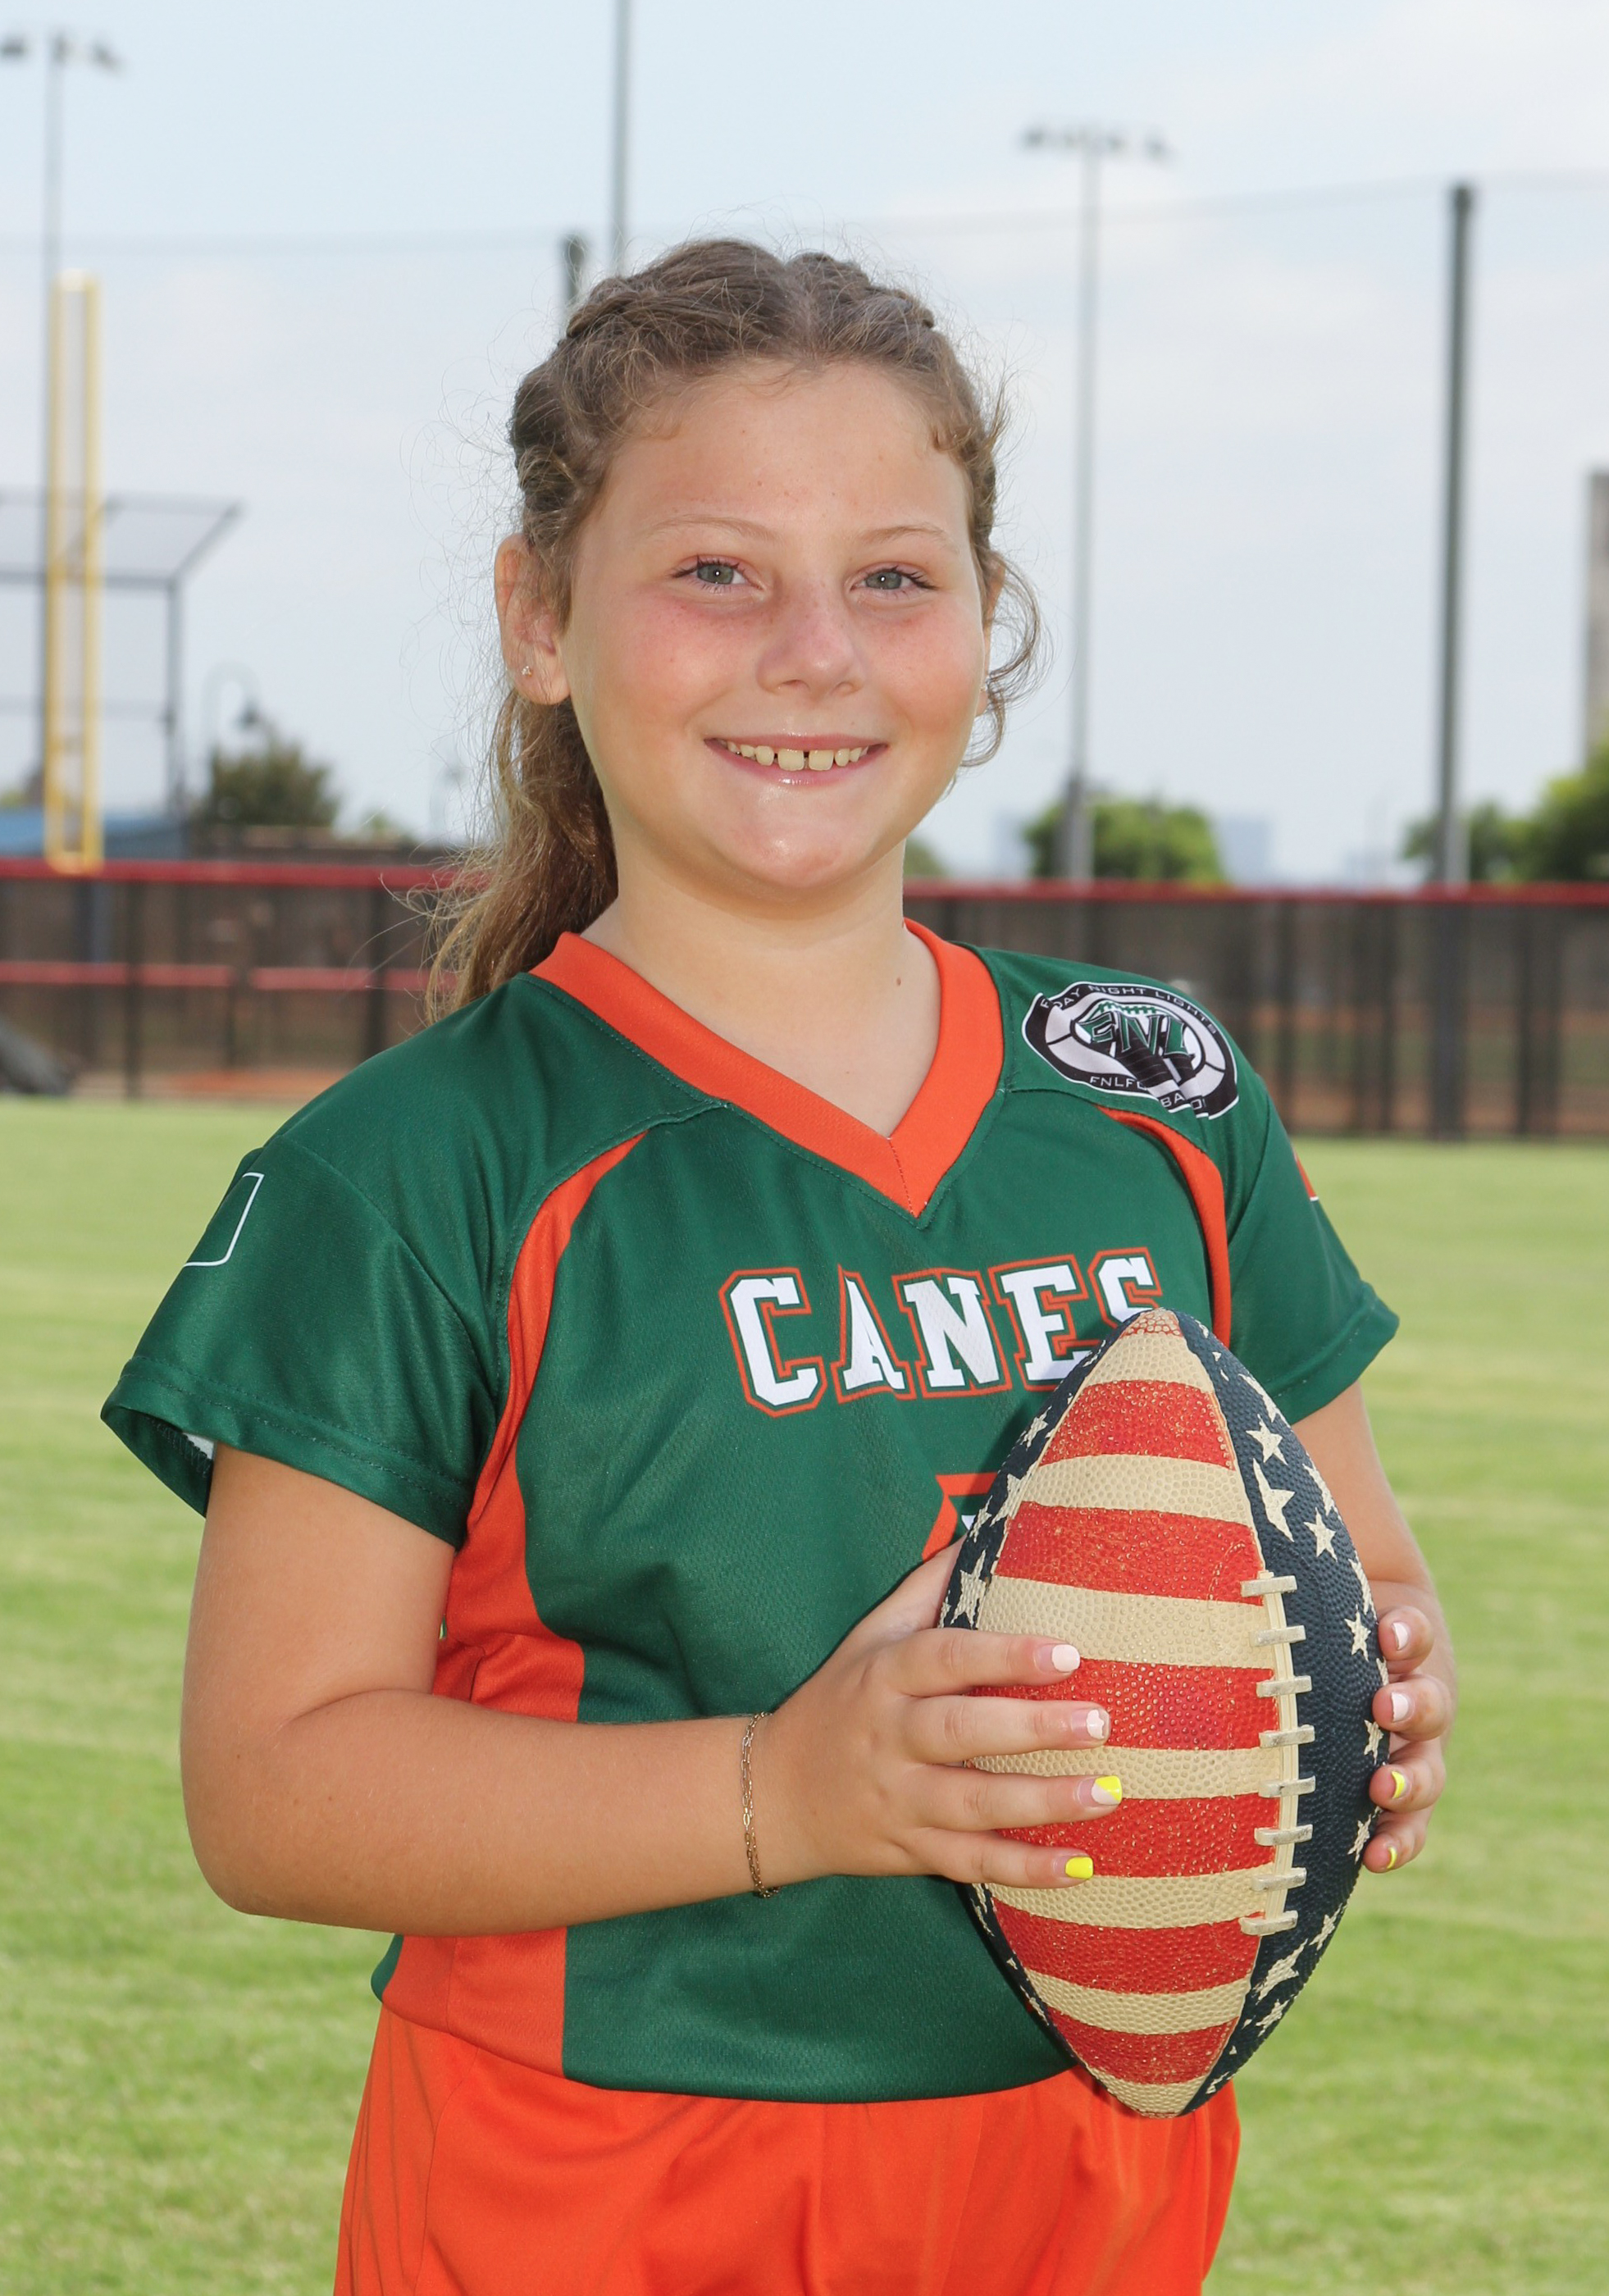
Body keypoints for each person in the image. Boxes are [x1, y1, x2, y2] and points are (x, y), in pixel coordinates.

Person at [103, 241, 1455, 2296]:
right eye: (717, 572)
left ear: (987, 623)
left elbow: (1356, 1560)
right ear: (538, 618)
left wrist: (1372, 1687)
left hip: (1087, 2161)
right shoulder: (420, 1168)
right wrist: (788, 1788)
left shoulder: (1156, 1093)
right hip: (602, 2181)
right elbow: (274, 1787)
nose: (813, 651)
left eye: (894, 577)